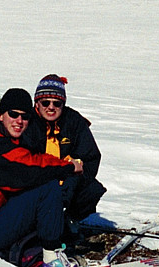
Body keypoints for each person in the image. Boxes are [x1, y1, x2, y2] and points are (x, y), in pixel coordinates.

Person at [0, 88, 84, 267]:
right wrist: (67, 169)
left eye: (25, 117)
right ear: (0, 116)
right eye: (13, 114)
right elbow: (24, 173)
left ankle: (48, 251)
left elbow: (33, 160)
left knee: (45, 183)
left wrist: (66, 163)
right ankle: (51, 259)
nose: (19, 121)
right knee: (47, 186)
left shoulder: (6, 142)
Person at [23, 75, 106, 225]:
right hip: (35, 182)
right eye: (45, 102)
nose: (51, 107)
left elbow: (91, 156)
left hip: (67, 181)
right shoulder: (26, 122)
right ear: (37, 103)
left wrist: (75, 171)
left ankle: (70, 222)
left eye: (57, 103)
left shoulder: (74, 122)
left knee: (92, 190)